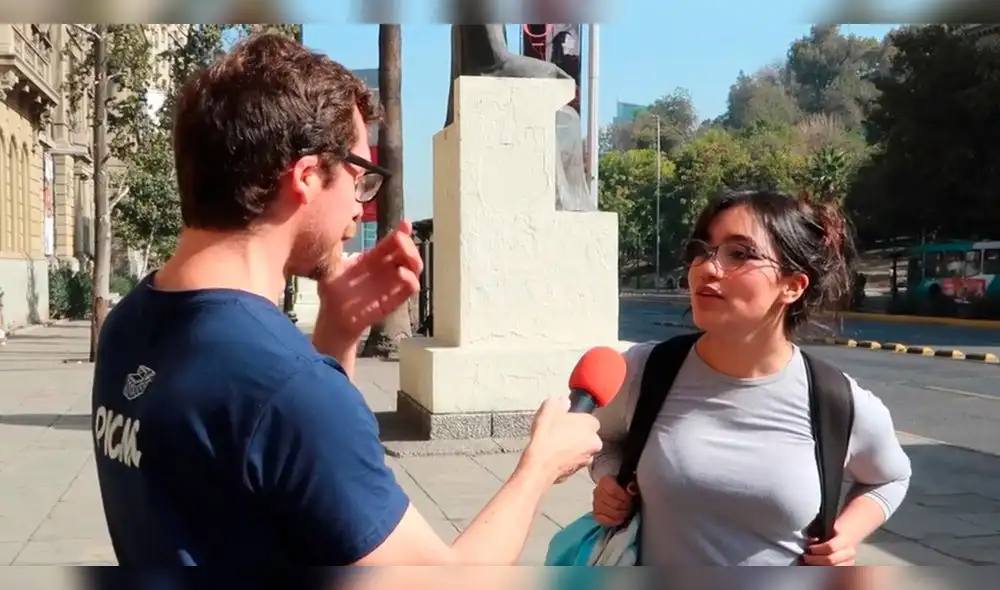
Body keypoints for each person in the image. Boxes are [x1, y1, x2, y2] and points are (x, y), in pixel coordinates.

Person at [90, 33, 601, 566]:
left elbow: (270, 495)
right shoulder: (288, 386)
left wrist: (336, 335)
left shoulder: (130, 323)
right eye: (359, 176)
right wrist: (539, 467)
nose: (359, 208)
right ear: (308, 176)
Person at [590, 190, 912, 566]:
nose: (707, 268)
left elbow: (891, 478)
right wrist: (609, 478)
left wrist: (846, 534)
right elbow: (600, 438)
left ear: (793, 285)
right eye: (702, 250)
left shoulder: (836, 401)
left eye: (739, 254)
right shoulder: (647, 371)